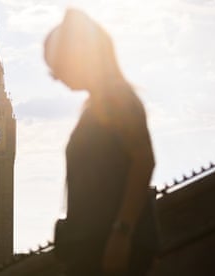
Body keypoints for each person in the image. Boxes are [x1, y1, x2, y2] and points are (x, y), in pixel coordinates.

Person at [44, 8, 159, 276]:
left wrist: (122, 232)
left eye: (57, 68)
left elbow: (144, 161)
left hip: (108, 248)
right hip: (91, 245)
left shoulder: (116, 98)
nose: (58, 78)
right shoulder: (95, 105)